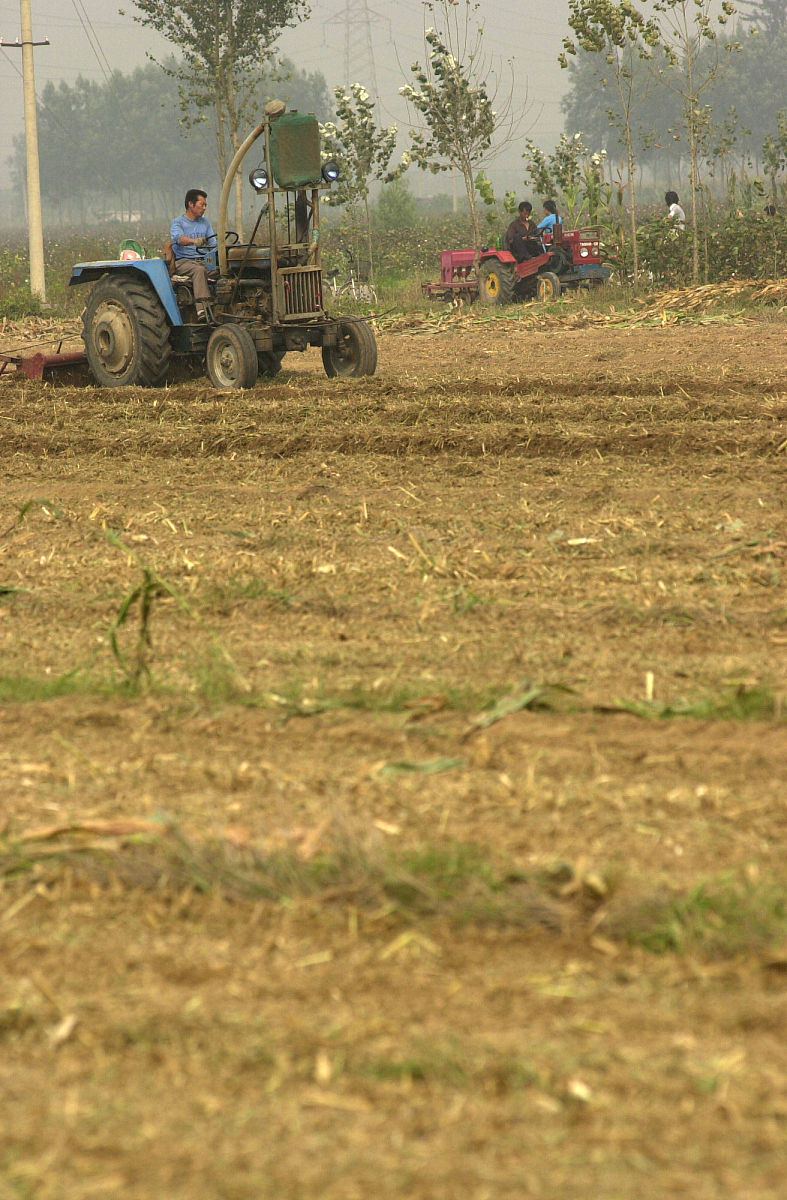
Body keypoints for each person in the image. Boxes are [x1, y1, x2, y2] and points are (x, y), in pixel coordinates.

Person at [170, 189, 216, 320]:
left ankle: (221, 305)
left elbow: (213, 242)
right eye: (202, 204)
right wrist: (194, 241)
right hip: (184, 262)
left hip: (202, 260)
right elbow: (178, 238)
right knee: (199, 271)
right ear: (191, 204)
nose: (204, 208)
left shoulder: (205, 222)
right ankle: (203, 309)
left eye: (205, 205)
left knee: (224, 272)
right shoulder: (178, 222)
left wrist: (217, 253)